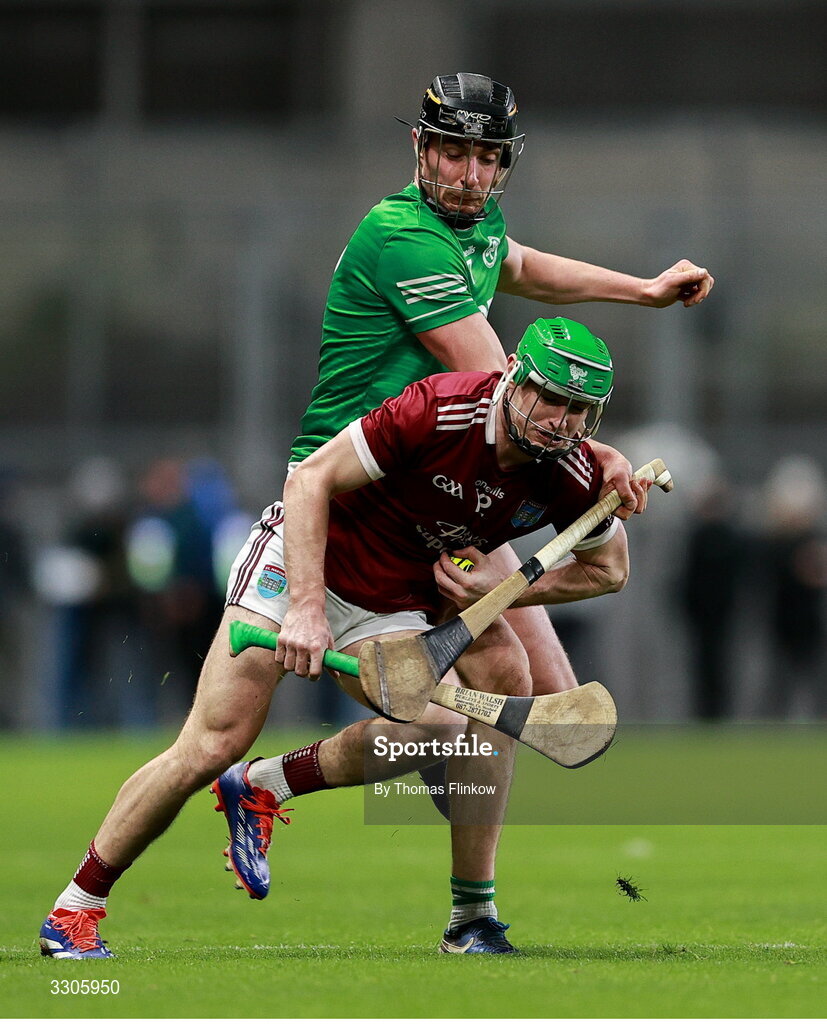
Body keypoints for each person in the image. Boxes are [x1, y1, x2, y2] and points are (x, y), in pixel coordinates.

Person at [37, 315, 639, 958]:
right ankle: (75, 910)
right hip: (302, 562)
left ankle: (456, 906)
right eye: (551, 397)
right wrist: (303, 609)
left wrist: (511, 587)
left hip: (393, 600)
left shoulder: (571, 473)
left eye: (580, 408)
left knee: (442, 727)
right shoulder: (439, 412)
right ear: (515, 380)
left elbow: (609, 570)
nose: (563, 420)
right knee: (214, 741)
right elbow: (309, 480)